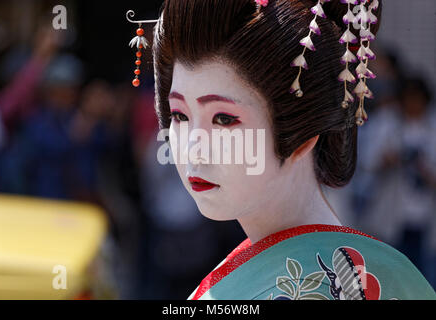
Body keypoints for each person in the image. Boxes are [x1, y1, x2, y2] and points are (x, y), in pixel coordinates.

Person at [135, 0, 436, 299]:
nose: (192, 148)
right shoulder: (258, 258)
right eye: (179, 116)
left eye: (224, 119)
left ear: (302, 135)